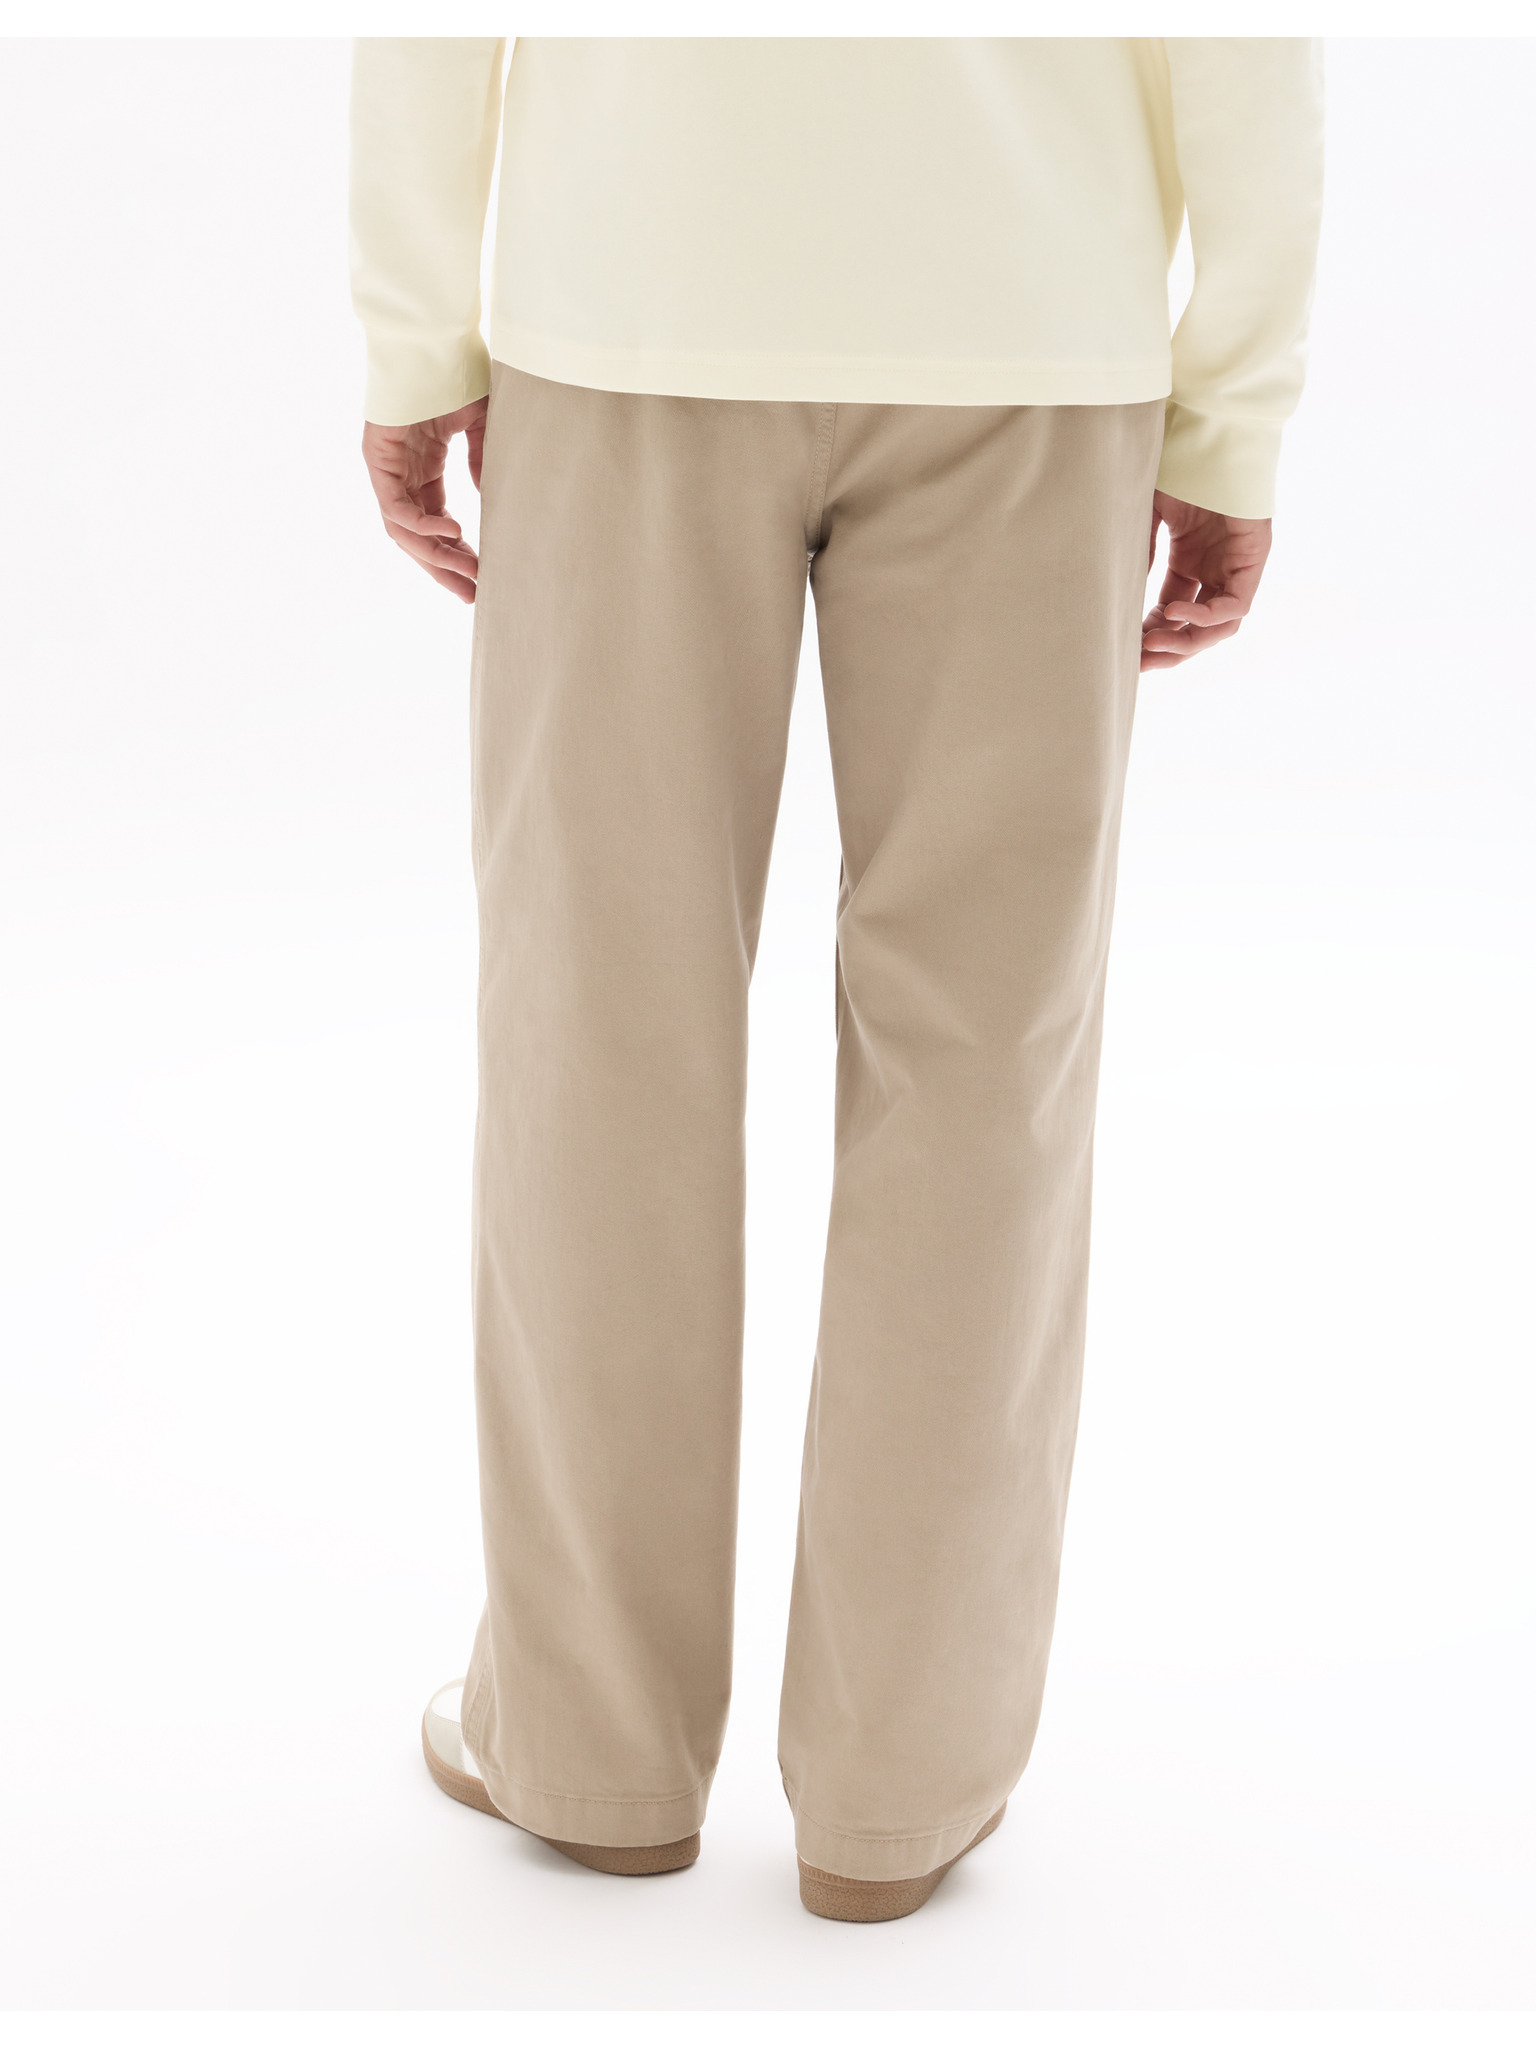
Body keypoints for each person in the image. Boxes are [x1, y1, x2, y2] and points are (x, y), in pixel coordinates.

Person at [349, 36, 1323, 1923]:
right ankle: (906, 1780)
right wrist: (1231, 418)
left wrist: (414, 339)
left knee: (599, 1033)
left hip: (631, 304)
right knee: (985, 1064)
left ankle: (594, 1744)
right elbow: (1246, 45)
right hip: (1031, 332)